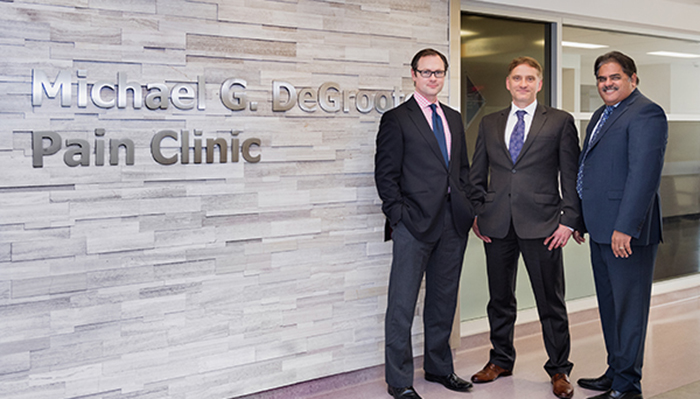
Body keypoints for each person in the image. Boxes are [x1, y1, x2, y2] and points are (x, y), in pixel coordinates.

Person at [468, 56, 581, 399]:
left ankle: (559, 369)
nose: (523, 83)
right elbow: (477, 174)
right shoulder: (489, 123)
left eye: (530, 78)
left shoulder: (559, 121)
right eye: (517, 77)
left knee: (551, 302)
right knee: (499, 299)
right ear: (507, 82)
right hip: (497, 224)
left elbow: (571, 174)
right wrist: (477, 212)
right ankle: (500, 359)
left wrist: (569, 219)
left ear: (539, 84)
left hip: (544, 225)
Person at [374, 48, 475, 399]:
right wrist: (398, 216)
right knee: (402, 304)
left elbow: (460, 170)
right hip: (413, 224)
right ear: (413, 75)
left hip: (452, 222)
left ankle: (438, 368)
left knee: (443, 300)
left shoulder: (454, 117)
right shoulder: (397, 119)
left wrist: (468, 207)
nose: (433, 78)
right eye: (426, 72)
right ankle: (399, 381)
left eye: (439, 72)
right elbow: (386, 176)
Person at [574, 51, 668, 399]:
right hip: (600, 228)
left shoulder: (646, 112)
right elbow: (593, 169)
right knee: (610, 305)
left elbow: (644, 176)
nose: (607, 84)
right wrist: (584, 219)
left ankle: (628, 385)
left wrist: (625, 227)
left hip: (626, 233)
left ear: (633, 78)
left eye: (615, 77)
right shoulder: (602, 114)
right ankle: (616, 371)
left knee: (629, 310)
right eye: (601, 78)